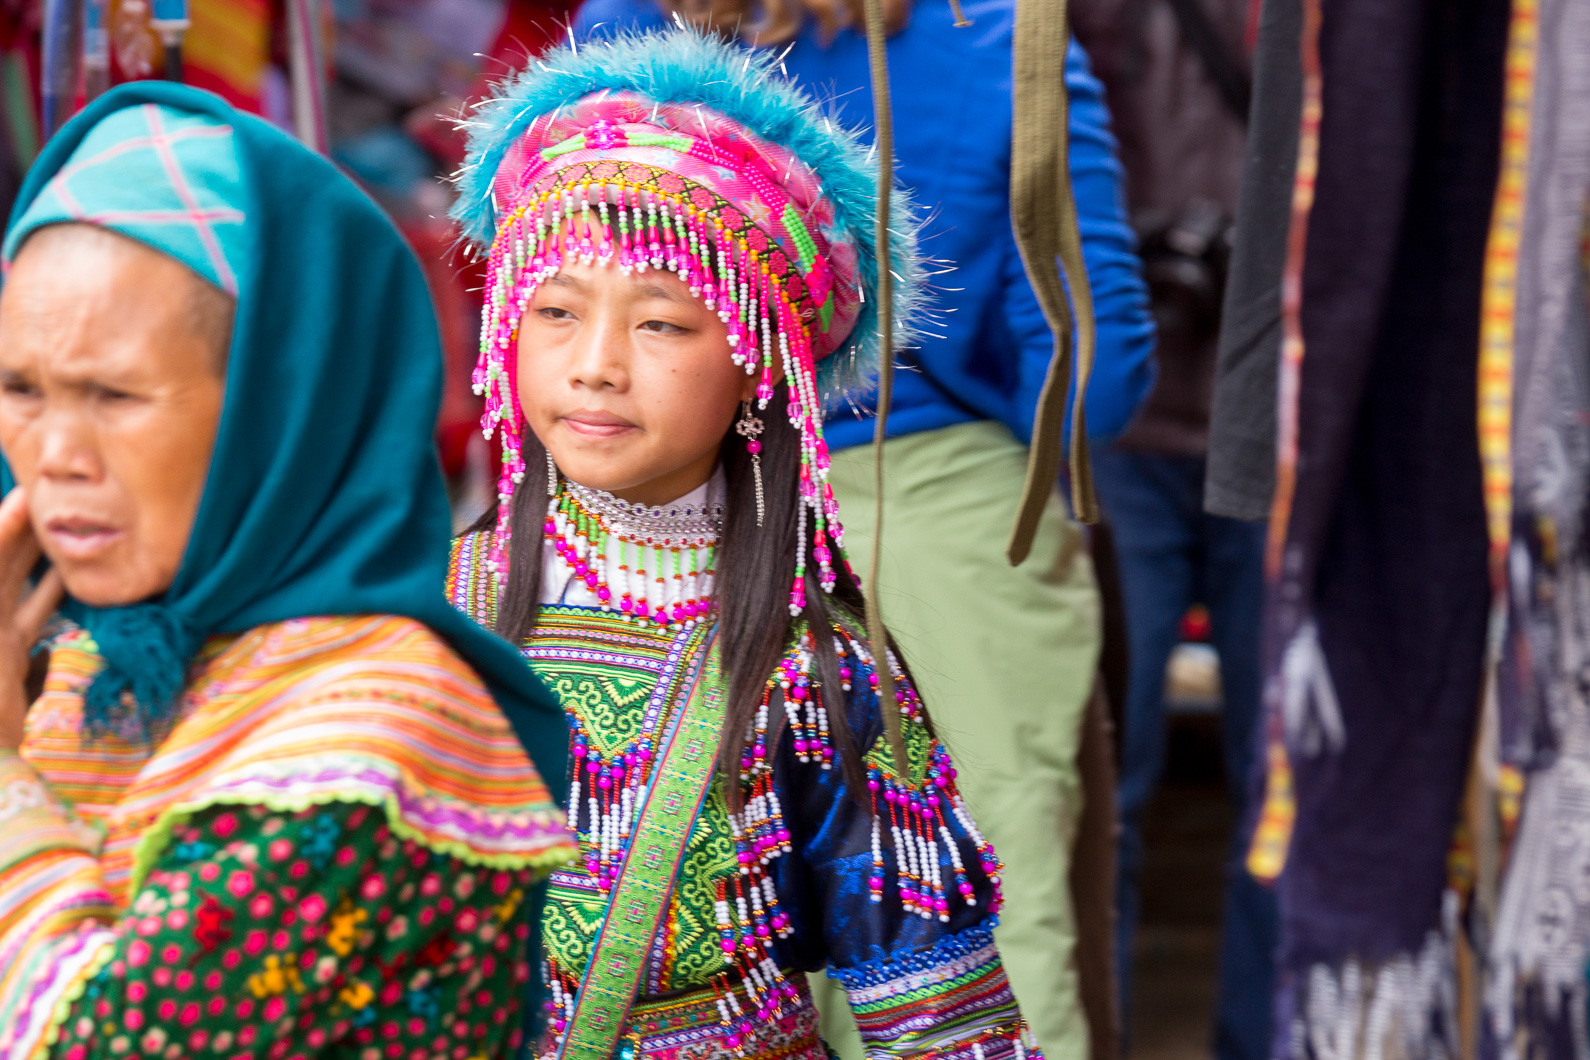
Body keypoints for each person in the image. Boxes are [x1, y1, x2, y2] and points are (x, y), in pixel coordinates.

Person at [570, 4, 1157, 1056]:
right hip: (949, 526)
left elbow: (567, 307)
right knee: (981, 937)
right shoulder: (1002, 42)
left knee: (709, 941)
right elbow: (1092, 385)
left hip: (675, 521)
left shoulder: (631, 27)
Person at [445, 27, 1042, 1058]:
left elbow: (942, 1024)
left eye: (662, 323)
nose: (595, 365)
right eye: (555, 310)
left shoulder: (817, 675)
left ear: (760, 362)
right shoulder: (424, 612)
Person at [0, 84, 575, 1060]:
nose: (55, 455)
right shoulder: (95, 672)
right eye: (21, 388)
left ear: (281, 409)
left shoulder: (378, 736)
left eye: (113, 394)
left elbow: (94, 1040)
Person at [1066, 1, 1276, 1056]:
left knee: (1281, 786)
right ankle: (1102, 1033)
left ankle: (1264, 1039)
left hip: (1279, 422)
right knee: (1106, 779)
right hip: (1125, 425)